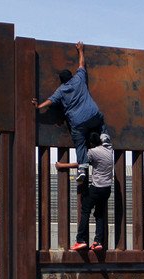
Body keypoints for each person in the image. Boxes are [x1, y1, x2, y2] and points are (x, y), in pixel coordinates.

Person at [33, 41, 107, 184]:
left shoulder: (61, 90)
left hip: (78, 122)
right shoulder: (79, 78)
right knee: (100, 119)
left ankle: (82, 169)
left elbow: (50, 101)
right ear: (71, 76)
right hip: (93, 114)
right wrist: (81, 50)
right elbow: (81, 64)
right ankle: (104, 138)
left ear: (61, 81)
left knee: (80, 144)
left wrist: (38, 107)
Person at [55, 132, 114, 251]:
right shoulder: (110, 151)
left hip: (96, 188)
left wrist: (62, 166)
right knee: (99, 214)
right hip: (107, 188)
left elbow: (81, 163)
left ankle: (80, 240)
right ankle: (98, 242)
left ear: (91, 143)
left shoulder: (92, 152)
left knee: (85, 210)